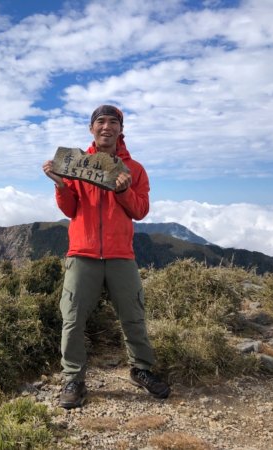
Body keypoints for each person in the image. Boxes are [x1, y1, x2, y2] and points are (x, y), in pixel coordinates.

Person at [42, 104, 170, 409]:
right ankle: (73, 378)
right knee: (72, 319)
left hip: (120, 255)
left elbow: (140, 210)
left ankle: (141, 369)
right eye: (100, 121)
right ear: (91, 128)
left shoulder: (134, 169)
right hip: (82, 253)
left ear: (120, 131)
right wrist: (60, 184)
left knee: (133, 317)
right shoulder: (76, 164)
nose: (106, 127)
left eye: (113, 122)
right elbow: (70, 209)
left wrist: (123, 191)